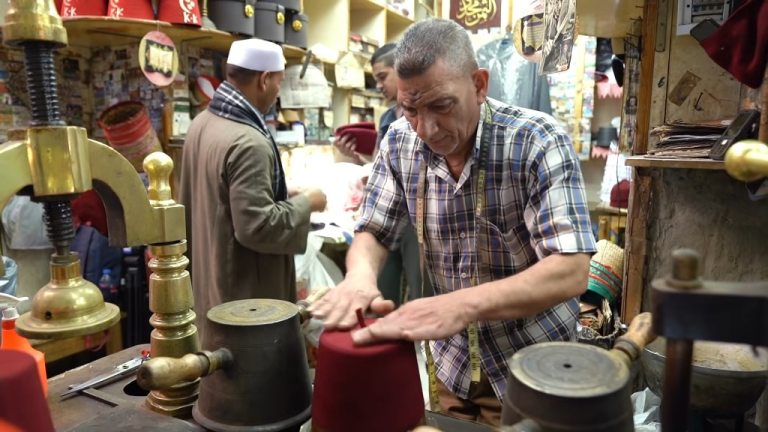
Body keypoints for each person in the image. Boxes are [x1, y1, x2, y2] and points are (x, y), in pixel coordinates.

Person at [310, 19, 595, 426]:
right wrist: (359, 276)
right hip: (451, 365)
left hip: (532, 366)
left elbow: (570, 269)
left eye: (442, 106)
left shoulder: (536, 140)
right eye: (410, 110)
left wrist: (460, 305)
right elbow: (374, 228)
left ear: (479, 85)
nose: (427, 129)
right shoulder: (399, 142)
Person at [180, 38, 327, 343]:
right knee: (251, 381)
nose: (278, 92)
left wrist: (282, 194)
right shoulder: (248, 141)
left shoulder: (202, 123)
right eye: (279, 82)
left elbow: (222, 197)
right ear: (264, 80)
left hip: (210, 279)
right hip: (244, 296)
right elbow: (256, 226)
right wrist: (307, 204)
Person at [333, 43, 426, 307]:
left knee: (420, 287)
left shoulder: (424, 114)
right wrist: (357, 161)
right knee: (384, 285)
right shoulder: (387, 119)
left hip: (415, 218)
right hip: (386, 211)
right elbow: (381, 163)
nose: (379, 86)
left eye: (382, 77)